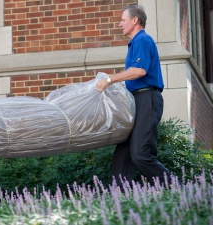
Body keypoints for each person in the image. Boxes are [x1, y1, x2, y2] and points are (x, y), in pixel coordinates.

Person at [96, 5, 175, 189]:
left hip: (147, 100)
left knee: (141, 154)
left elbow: (139, 71)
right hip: (136, 100)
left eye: (123, 20)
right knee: (122, 155)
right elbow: (133, 76)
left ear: (135, 20)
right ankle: (119, 200)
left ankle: (176, 189)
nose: (119, 24)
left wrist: (109, 79)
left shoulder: (142, 40)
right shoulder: (135, 43)